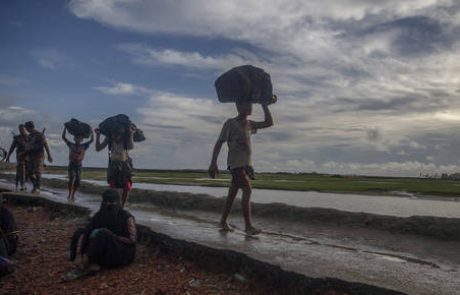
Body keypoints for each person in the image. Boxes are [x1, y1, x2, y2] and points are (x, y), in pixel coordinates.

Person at [208, 100, 274, 235]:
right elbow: (219, 142)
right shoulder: (230, 123)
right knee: (247, 190)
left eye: (250, 105)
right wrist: (213, 163)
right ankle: (248, 227)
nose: (249, 107)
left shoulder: (250, 124)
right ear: (238, 106)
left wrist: (264, 105)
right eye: (246, 104)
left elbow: (269, 123)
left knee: (232, 195)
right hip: (236, 165)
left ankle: (222, 222)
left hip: (246, 165)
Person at [70, 189, 136, 274]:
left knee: (102, 234)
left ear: (117, 202)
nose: (109, 204)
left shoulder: (126, 217)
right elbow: (86, 231)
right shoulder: (99, 215)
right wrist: (79, 253)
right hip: (101, 248)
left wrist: (111, 236)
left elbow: (131, 241)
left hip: (121, 251)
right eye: (106, 201)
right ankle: (83, 260)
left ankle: (87, 261)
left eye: (112, 202)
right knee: (80, 232)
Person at [95, 124, 135, 207]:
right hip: (113, 166)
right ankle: (114, 205)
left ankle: (122, 206)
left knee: (126, 188)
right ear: (111, 134)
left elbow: (131, 147)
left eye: (117, 135)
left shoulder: (125, 140)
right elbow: (98, 148)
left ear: (121, 134)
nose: (115, 137)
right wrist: (98, 135)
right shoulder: (109, 139)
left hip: (125, 166)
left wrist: (131, 134)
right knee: (113, 188)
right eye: (113, 135)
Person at [62, 127, 94, 201]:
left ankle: (73, 194)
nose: (78, 139)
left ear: (82, 139)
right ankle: (70, 194)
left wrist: (92, 131)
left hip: (79, 165)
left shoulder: (84, 146)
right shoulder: (71, 144)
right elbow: (63, 137)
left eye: (80, 138)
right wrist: (65, 128)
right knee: (71, 178)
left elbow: (92, 140)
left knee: (78, 180)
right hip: (72, 164)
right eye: (77, 138)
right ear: (74, 139)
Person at [24, 121, 53, 194]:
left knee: (37, 172)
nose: (26, 129)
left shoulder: (40, 135)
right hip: (30, 156)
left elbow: (45, 145)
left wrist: (49, 155)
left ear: (30, 127)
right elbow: (27, 146)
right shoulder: (29, 136)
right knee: (29, 172)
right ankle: (35, 185)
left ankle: (38, 188)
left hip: (39, 156)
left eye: (26, 128)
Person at [5, 124, 29, 191]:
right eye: (20, 129)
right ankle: (22, 185)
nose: (21, 131)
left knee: (27, 172)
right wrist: (8, 156)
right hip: (20, 157)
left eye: (23, 129)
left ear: (25, 129)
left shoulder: (29, 137)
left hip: (28, 157)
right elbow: (12, 147)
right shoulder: (17, 138)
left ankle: (23, 183)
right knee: (22, 170)